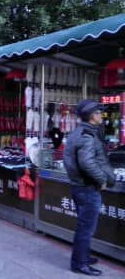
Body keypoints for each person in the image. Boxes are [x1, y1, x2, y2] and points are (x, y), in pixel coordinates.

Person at [64, 99, 116, 277]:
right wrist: (102, 179)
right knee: (86, 228)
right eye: (99, 112)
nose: (101, 115)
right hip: (87, 188)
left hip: (79, 186)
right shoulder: (87, 135)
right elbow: (86, 162)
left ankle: (83, 255)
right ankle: (80, 264)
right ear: (92, 116)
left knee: (84, 226)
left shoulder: (78, 133)